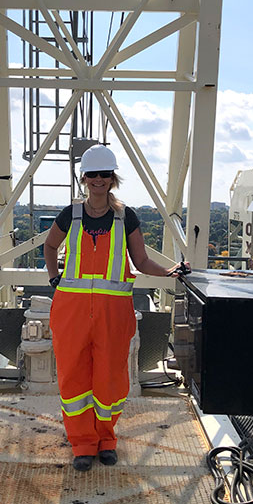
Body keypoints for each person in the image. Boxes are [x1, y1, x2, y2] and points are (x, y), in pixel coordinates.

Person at [44, 144, 189, 472]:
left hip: (113, 315)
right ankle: (82, 443)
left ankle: (106, 440)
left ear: (113, 179)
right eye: (93, 174)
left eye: (104, 174)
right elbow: (50, 245)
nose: (98, 180)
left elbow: (140, 261)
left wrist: (169, 272)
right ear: (85, 178)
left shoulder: (127, 217)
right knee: (73, 379)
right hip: (71, 314)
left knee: (110, 379)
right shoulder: (71, 214)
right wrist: (55, 278)